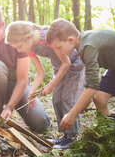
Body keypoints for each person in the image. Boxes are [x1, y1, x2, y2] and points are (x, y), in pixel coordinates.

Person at [0, 4, 50, 133]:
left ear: (2, 25)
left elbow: (22, 79)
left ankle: (7, 110)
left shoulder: (17, 38)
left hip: (16, 86)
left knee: (41, 123)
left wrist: (10, 107)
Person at [5, 21, 85, 149]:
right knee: (57, 99)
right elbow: (40, 72)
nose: (18, 50)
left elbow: (67, 63)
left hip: (74, 66)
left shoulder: (48, 38)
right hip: (59, 68)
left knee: (68, 99)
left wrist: (51, 85)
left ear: (28, 38)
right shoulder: (29, 46)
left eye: (19, 46)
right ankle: (65, 136)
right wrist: (31, 93)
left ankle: (73, 138)